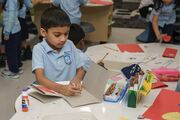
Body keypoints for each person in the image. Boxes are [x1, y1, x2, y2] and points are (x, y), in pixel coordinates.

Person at [32, 7, 90, 96]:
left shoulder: (70, 44)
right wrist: (61, 89)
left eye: (66, 34)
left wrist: (77, 80)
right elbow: (40, 78)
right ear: (44, 32)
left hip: (69, 92)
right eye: (57, 35)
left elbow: (81, 69)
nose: (63, 39)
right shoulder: (39, 49)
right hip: (50, 93)